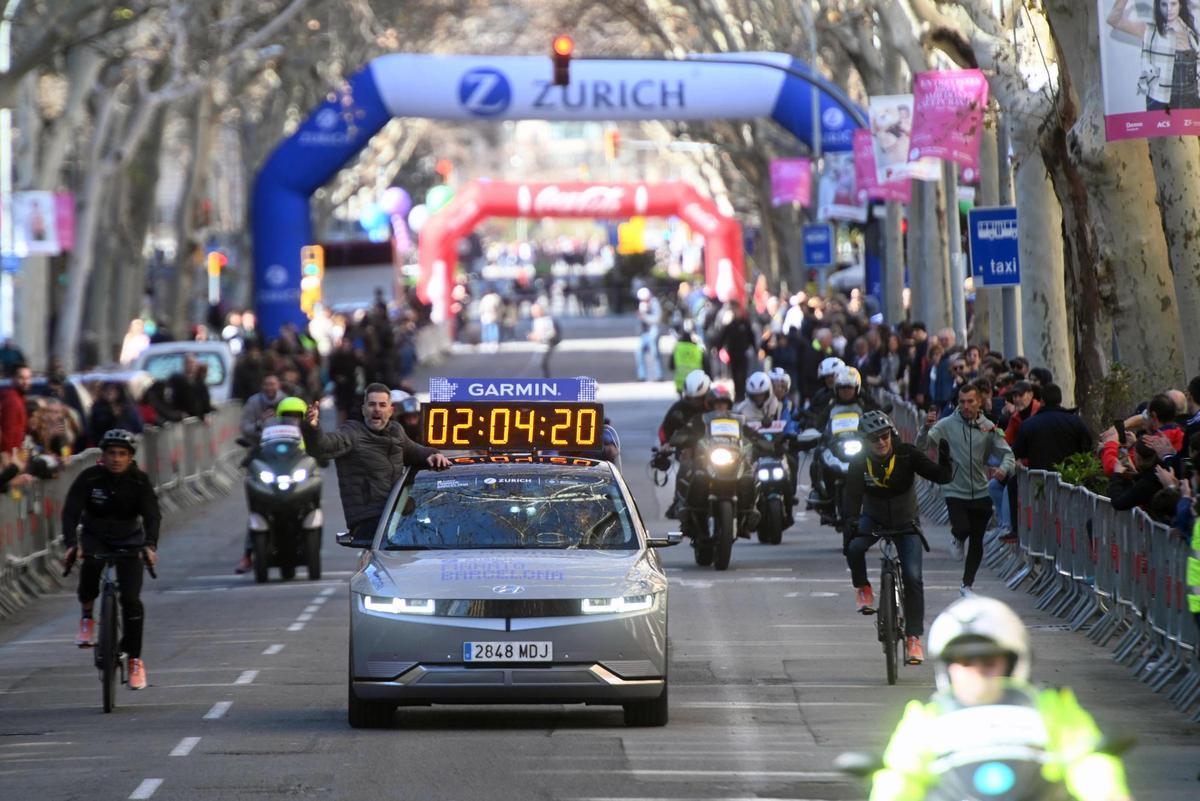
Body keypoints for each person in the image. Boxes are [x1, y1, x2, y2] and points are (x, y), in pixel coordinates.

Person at [870, 596, 1131, 801]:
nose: (978, 671)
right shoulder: (926, 717)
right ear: (947, 667)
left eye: (988, 661)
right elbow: (901, 774)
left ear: (1012, 662)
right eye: (964, 662)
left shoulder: (1050, 707)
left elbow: (1086, 758)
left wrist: (1109, 794)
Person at [842, 411, 952, 664]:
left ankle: (913, 638)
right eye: (873, 439)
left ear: (891, 434)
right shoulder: (859, 462)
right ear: (865, 442)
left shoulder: (907, 454)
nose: (880, 442)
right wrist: (850, 521)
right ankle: (864, 588)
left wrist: (946, 460)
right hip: (874, 517)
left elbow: (941, 476)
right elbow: (851, 497)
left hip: (906, 522)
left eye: (884, 436)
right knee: (854, 548)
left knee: (913, 578)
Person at [62, 429, 161, 691]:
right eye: (111, 454)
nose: (116, 459)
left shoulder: (139, 481)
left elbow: (152, 515)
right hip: (96, 534)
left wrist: (150, 545)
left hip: (129, 538)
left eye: (122, 454)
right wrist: (72, 544)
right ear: (102, 456)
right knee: (91, 564)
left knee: (131, 601)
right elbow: (70, 511)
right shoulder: (90, 478)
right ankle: (87, 618)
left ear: (130, 458)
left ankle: (135, 660)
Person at [303, 383, 451, 544]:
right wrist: (312, 427)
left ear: (391, 410)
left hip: (399, 515)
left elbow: (415, 451)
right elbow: (322, 446)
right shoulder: (351, 433)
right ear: (363, 409)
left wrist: (433, 455)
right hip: (370, 520)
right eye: (372, 404)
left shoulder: (396, 431)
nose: (377, 409)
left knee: (438, 537)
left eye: (382, 405)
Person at [916, 381, 1015, 596]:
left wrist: (1004, 469)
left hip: (981, 491)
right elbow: (922, 447)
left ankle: (966, 585)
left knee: (977, 541)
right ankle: (957, 537)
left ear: (979, 401)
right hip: (954, 489)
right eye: (962, 402)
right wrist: (925, 428)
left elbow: (1007, 454)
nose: (966, 406)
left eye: (970, 401)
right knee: (962, 528)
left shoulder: (988, 426)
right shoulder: (946, 424)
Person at [236, 397, 309, 573]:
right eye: (288, 415)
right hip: (274, 483)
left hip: (299, 484)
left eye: (297, 416)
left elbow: (320, 451)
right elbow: (258, 450)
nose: (293, 419)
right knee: (257, 513)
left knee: (311, 509)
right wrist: (249, 460)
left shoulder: (309, 433)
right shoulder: (271, 433)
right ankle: (247, 555)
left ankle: (310, 544)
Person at [1108, 0, 1200, 111]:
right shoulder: (1150, 31)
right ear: (1158, 7)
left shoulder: (1191, 34)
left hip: (1191, 103)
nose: (1169, 9)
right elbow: (1113, 20)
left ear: (1180, 5)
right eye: (1164, 4)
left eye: (1173, 4)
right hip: (1162, 105)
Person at [658, 370, 712, 520]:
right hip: (689, 450)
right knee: (686, 463)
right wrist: (665, 444)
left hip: (716, 448)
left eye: (699, 399)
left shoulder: (717, 405)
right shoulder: (678, 408)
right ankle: (678, 500)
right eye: (691, 399)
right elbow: (664, 429)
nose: (695, 403)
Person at [1012, 383, 1094, 471]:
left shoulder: (1028, 424)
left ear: (1042, 401)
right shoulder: (1075, 421)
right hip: (1070, 477)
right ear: (1060, 400)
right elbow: (1088, 447)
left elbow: (1016, 452)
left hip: (1038, 479)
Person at [240, 374, 287, 441]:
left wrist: (279, 419)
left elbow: (293, 424)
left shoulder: (286, 400)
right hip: (259, 441)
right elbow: (245, 427)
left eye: (272, 384)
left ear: (279, 385)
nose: (269, 388)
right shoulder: (253, 401)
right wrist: (260, 423)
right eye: (266, 384)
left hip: (282, 439)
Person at [669, 325, 708, 395]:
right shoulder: (698, 349)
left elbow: (671, 365)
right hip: (696, 381)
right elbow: (706, 365)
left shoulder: (677, 348)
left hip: (680, 382)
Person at [635, 286, 663, 382]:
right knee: (639, 352)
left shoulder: (655, 303)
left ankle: (659, 375)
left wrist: (644, 316)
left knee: (654, 353)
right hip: (644, 332)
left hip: (653, 331)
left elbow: (657, 319)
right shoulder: (642, 304)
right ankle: (641, 375)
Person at [0, 364, 31, 453]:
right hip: (10, 457)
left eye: (28, 378)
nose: (26, 382)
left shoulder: (19, 399)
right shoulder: (13, 401)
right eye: (21, 378)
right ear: (13, 379)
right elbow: (7, 433)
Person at [527, 303, 560, 379]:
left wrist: (540, 338)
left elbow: (551, 333)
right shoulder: (536, 321)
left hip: (547, 345)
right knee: (538, 365)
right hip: (539, 346)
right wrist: (532, 336)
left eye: (534, 311)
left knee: (543, 365)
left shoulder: (547, 320)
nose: (533, 313)